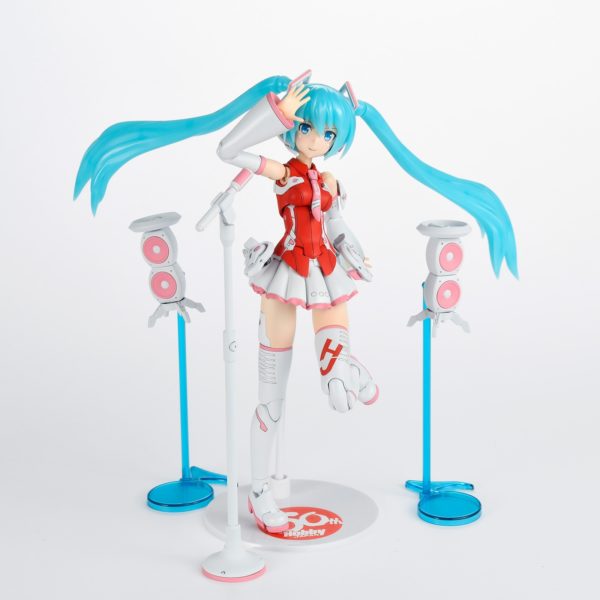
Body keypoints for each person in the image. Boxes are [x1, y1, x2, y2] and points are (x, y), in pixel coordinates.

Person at [74, 71, 518, 534]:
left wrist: (355, 253)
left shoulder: (330, 180)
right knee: (271, 401)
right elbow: (227, 151)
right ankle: (261, 492)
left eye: (328, 133)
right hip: (285, 277)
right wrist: (276, 114)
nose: (316, 140)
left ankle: (349, 371)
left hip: (327, 275)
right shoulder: (282, 172)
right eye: (306, 127)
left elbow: (338, 226)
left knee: (338, 391)